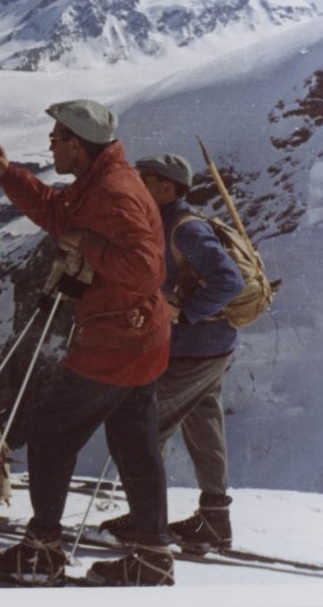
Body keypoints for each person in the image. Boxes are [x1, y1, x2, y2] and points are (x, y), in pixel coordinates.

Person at [0, 100, 175, 587]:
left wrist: (86, 244)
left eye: (57, 136)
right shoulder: (101, 182)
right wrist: (9, 174)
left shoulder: (113, 191)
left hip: (114, 339)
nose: (50, 142)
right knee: (135, 443)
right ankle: (151, 556)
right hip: (140, 337)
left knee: (49, 433)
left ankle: (43, 549)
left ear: (78, 145)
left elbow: (147, 268)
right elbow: (58, 213)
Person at [99, 153, 244, 553]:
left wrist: (187, 314)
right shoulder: (168, 222)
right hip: (211, 347)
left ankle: (146, 521)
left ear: (167, 187)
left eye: (146, 178)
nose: (138, 184)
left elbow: (229, 281)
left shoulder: (183, 229)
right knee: (204, 428)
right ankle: (214, 519)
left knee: (141, 429)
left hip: (193, 349)